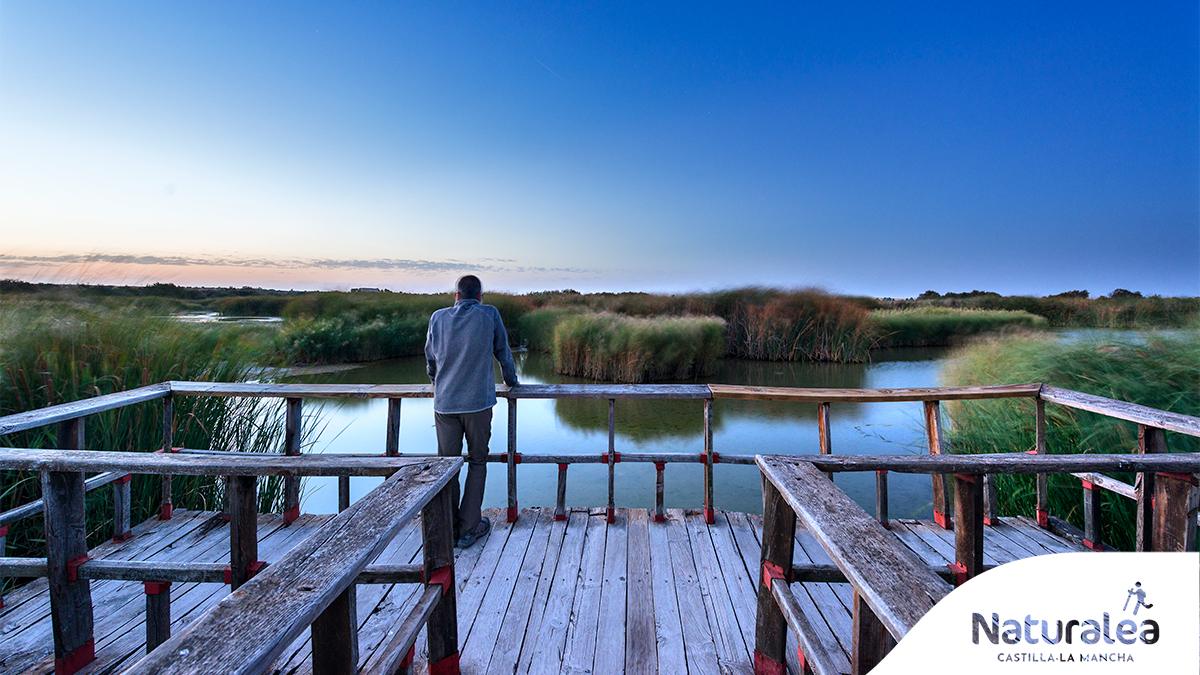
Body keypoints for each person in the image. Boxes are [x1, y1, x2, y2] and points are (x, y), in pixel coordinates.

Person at [424, 274, 519, 548]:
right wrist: (511, 382)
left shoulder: (438, 318)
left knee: (448, 467)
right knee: (477, 462)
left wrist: (437, 384)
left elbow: (430, 359)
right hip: (478, 404)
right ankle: (469, 528)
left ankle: (449, 528)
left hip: (445, 404)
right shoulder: (489, 314)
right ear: (479, 296)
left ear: (456, 295)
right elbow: (503, 353)